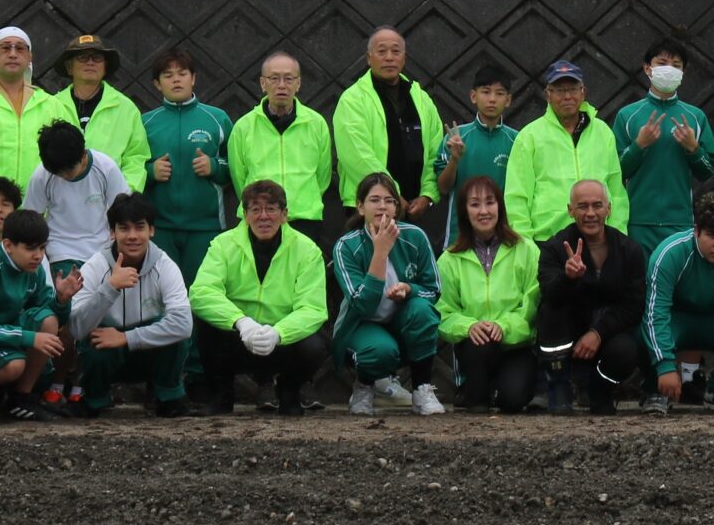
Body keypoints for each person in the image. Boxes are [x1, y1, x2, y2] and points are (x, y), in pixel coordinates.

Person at [189, 180, 330, 415]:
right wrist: (241, 322)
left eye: (271, 209)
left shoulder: (308, 250)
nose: (263, 216)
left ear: (284, 214)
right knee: (207, 323)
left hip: (283, 342)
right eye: (255, 209)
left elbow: (313, 309)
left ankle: (288, 390)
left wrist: (279, 333)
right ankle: (221, 395)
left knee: (315, 345)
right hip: (238, 338)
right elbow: (201, 292)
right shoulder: (223, 245)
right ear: (244, 215)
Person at [331, 171, 448, 415]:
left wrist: (409, 289)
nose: (382, 206)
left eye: (389, 200)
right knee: (380, 350)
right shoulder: (346, 246)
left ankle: (422, 390)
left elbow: (433, 290)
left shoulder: (415, 236)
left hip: (402, 321)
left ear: (397, 207)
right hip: (362, 325)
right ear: (360, 207)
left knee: (423, 312)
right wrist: (380, 253)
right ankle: (363, 386)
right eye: (374, 200)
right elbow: (361, 304)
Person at [70, 192, 194, 416]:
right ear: (112, 232)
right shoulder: (95, 266)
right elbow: (76, 328)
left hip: (147, 351)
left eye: (140, 227)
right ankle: (95, 399)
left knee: (176, 334)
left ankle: (168, 397)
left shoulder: (165, 265)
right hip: (109, 354)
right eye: (124, 228)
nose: (133, 236)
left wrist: (127, 337)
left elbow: (184, 325)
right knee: (95, 337)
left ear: (152, 231)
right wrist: (110, 288)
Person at [641, 189, 714, 415]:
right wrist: (665, 366)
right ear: (696, 231)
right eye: (711, 235)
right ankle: (655, 390)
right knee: (641, 327)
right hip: (677, 321)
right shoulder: (670, 253)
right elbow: (655, 313)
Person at [534, 179, 648, 414]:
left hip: (606, 332)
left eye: (597, 205)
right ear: (570, 210)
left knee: (626, 350)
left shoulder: (631, 251)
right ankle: (559, 385)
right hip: (567, 331)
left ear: (609, 209)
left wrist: (598, 333)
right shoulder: (555, 248)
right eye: (582, 206)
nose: (590, 213)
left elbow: (634, 306)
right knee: (550, 312)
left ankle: (600, 390)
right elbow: (549, 295)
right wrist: (568, 278)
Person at [438, 177, 541, 413]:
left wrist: (503, 326)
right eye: (474, 204)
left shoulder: (525, 250)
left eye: (490, 202)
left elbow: (532, 302)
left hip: (516, 344)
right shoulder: (450, 259)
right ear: (464, 211)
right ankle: (476, 396)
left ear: (500, 207)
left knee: (513, 400)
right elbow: (443, 309)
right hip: (475, 346)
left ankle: (500, 389)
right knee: (479, 349)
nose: (483, 211)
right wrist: (469, 326)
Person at [333, 28, 444, 236]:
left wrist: (428, 195)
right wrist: (391, 195)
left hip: (412, 209)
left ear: (404, 58)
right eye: (381, 51)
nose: (389, 58)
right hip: (366, 208)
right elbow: (356, 155)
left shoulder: (420, 98)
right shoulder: (353, 100)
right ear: (368, 58)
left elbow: (436, 150)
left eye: (396, 51)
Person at [613, 39, 714, 256]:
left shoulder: (695, 117)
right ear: (647, 68)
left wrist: (693, 148)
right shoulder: (627, 115)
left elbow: (708, 171)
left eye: (676, 65)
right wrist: (639, 146)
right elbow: (616, 170)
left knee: (676, 284)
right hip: (637, 220)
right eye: (661, 63)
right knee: (640, 284)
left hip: (680, 221)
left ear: (683, 72)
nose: (668, 70)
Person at [0, 27, 74, 219]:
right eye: (5, 48)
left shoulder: (52, 106)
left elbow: (70, 164)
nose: (12, 54)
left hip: (43, 218)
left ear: (30, 57)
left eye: (20, 48)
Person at [140, 47, 234, 284]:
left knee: (202, 295)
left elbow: (237, 166)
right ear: (157, 84)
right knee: (162, 293)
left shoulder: (217, 118)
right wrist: (150, 172)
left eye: (182, 73)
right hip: (159, 228)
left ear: (193, 78)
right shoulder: (145, 122)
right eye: (168, 75)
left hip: (206, 227)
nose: (176, 80)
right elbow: (129, 167)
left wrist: (214, 166)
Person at [0, 206, 63, 421]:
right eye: (30, 248)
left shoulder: (33, 269)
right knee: (15, 365)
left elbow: (49, 311)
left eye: (42, 248)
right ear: (8, 245)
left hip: (4, 338)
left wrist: (63, 299)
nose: (38, 256)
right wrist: (30, 338)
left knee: (48, 320)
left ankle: (20, 399)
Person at [506, 61, 627, 241]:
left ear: (583, 92)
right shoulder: (529, 136)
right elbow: (516, 196)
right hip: (547, 239)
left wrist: (618, 236)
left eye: (573, 89)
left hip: (598, 238)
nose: (567, 96)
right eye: (560, 90)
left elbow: (616, 190)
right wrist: (526, 244)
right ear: (548, 94)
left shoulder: (603, 132)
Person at [226, 51, 334, 233]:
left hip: (304, 218)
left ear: (298, 83)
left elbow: (322, 176)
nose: (282, 85)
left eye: (289, 79)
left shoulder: (316, 123)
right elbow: (239, 177)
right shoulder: (244, 126)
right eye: (274, 78)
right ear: (262, 83)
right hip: (260, 219)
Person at [25, 120, 131, 288]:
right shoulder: (42, 176)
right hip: (61, 252)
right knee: (74, 300)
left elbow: (124, 210)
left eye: (67, 171)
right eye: (57, 173)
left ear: (83, 156)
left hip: (102, 251)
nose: (63, 176)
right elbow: (32, 217)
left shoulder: (106, 168)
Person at [55, 33, 152, 182]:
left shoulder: (126, 108)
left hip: (111, 200)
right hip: (60, 199)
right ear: (69, 67)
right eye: (82, 57)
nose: (90, 62)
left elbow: (136, 158)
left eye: (97, 58)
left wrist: (123, 196)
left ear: (105, 67)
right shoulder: (52, 105)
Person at [435, 64, 521, 211]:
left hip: (503, 228)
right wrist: (454, 159)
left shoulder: (518, 140)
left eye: (499, 93)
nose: (492, 99)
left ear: (508, 100)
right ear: (473, 96)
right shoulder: (456, 137)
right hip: (460, 228)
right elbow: (443, 188)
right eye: (486, 92)